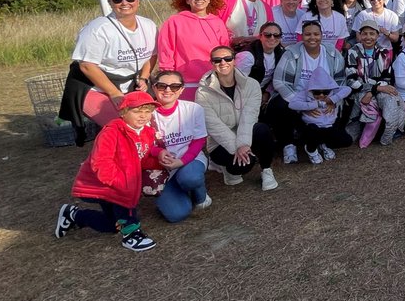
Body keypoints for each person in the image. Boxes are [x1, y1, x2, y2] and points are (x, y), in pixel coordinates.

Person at [53, 90, 164, 252]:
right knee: (125, 204)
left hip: (121, 183)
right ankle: (132, 234)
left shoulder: (147, 132)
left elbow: (142, 157)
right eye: (137, 111)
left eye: (147, 111)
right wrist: (122, 182)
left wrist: (161, 163)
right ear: (123, 112)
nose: (143, 116)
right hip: (103, 184)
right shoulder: (111, 132)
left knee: (111, 225)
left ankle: (74, 215)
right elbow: (101, 163)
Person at [60, 0, 158, 144]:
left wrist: (144, 77)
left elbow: (152, 55)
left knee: (149, 125)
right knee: (124, 127)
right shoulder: (97, 29)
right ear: (110, 3)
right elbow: (86, 65)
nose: (124, 3)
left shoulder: (149, 25)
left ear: (138, 0)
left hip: (130, 83)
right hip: (95, 85)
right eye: (117, 0)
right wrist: (114, 93)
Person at [196, 46, 278, 190]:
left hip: (245, 133)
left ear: (234, 60)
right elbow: (213, 126)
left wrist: (243, 144)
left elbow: (249, 117)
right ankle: (223, 166)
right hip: (219, 141)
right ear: (212, 63)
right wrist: (236, 148)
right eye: (217, 60)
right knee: (241, 166)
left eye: (228, 58)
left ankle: (266, 170)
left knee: (262, 130)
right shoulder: (203, 92)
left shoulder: (251, 85)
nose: (223, 63)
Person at [270, 19, 345, 163]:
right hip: (297, 97)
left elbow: (341, 80)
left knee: (343, 139)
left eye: (316, 34)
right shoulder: (291, 53)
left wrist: (333, 100)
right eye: (307, 34)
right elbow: (280, 81)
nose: (312, 38)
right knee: (279, 105)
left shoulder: (332, 53)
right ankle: (288, 144)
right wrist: (304, 105)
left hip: (324, 98)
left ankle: (320, 142)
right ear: (301, 35)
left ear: (322, 35)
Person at [148, 69, 211, 222]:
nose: (168, 90)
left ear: (182, 89)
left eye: (175, 86)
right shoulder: (145, 113)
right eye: (162, 86)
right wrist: (158, 152)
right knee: (176, 214)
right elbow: (143, 145)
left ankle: (200, 196)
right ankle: (177, 192)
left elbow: (199, 140)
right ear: (154, 88)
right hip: (161, 168)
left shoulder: (193, 109)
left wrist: (181, 161)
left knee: (190, 178)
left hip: (189, 160)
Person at [155, 0, 232, 97]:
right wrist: (169, 82)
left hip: (213, 82)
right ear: (187, 0)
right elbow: (166, 53)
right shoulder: (174, 22)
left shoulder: (218, 22)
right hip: (185, 84)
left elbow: (225, 54)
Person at [344, 19, 405, 147]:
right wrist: (374, 89)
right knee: (350, 136)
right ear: (360, 35)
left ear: (377, 35)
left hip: (379, 89)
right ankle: (362, 131)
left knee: (392, 101)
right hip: (359, 91)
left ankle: (388, 136)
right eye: (365, 33)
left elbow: (386, 78)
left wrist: (374, 90)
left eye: (372, 34)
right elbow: (351, 80)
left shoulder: (384, 53)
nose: (368, 37)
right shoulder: (352, 52)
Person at [287, 64, 353, 163]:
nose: (321, 95)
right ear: (311, 90)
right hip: (312, 127)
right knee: (313, 132)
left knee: (347, 140)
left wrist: (332, 99)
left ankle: (324, 145)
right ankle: (311, 150)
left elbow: (348, 89)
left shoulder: (332, 93)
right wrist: (312, 105)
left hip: (329, 127)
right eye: (317, 92)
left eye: (325, 92)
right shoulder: (305, 94)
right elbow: (292, 104)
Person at [234, 21, 285, 105]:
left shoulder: (280, 53)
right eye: (267, 35)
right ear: (260, 36)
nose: (272, 38)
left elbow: (278, 78)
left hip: (264, 92)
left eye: (276, 35)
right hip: (244, 95)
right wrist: (255, 98)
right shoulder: (247, 56)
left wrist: (268, 93)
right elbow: (238, 83)